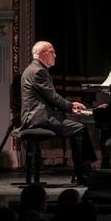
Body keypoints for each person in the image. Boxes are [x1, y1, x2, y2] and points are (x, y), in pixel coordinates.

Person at [21, 40, 97, 185]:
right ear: (43, 54)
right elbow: (52, 97)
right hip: (39, 118)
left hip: (36, 116)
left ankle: (84, 171)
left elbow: (50, 97)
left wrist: (69, 106)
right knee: (80, 128)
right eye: (52, 52)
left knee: (77, 127)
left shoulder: (32, 68)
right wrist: (70, 106)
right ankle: (84, 174)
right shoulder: (39, 71)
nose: (55, 55)